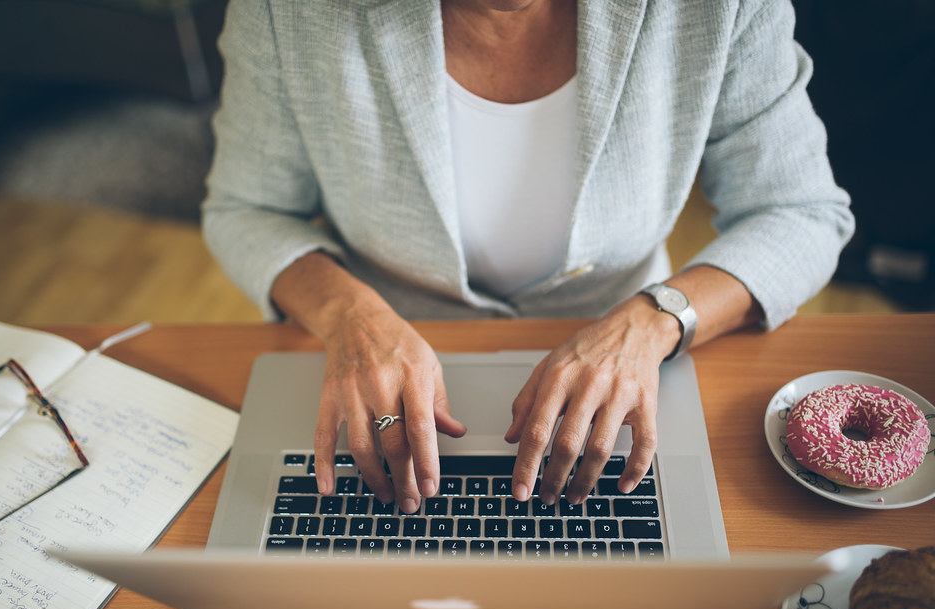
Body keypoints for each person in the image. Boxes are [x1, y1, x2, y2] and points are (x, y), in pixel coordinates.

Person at [202, 0, 854, 516]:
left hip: (624, 366)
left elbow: (799, 212)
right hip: (379, 365)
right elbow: (246, 209)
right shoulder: (283, 11)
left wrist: (655, 321)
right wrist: (349, 316)